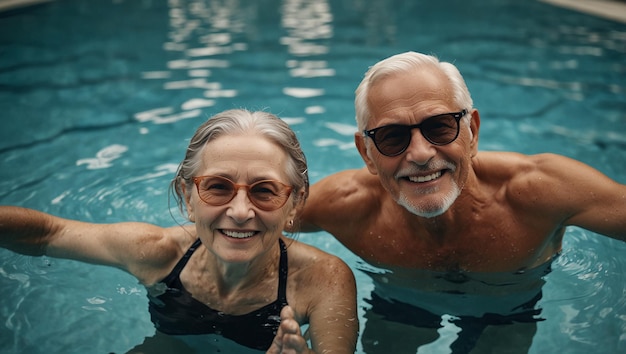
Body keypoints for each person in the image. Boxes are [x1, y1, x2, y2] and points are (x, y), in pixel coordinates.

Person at [296, 51, 626, 352]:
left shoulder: (540, 192)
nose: (421, 154)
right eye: (392, 136)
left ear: (473, 132)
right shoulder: (344, 206)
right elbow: (253, 226)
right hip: (399, 304)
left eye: (439, 127)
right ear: (366, 153)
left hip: (506, 311)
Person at [0, 109, 358, 354]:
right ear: (187, 197)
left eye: (264, 191)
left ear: (295, 203)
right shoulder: (156, 252)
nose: (239, 212)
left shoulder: (321, 280)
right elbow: (46, 234)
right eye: (217, 187)